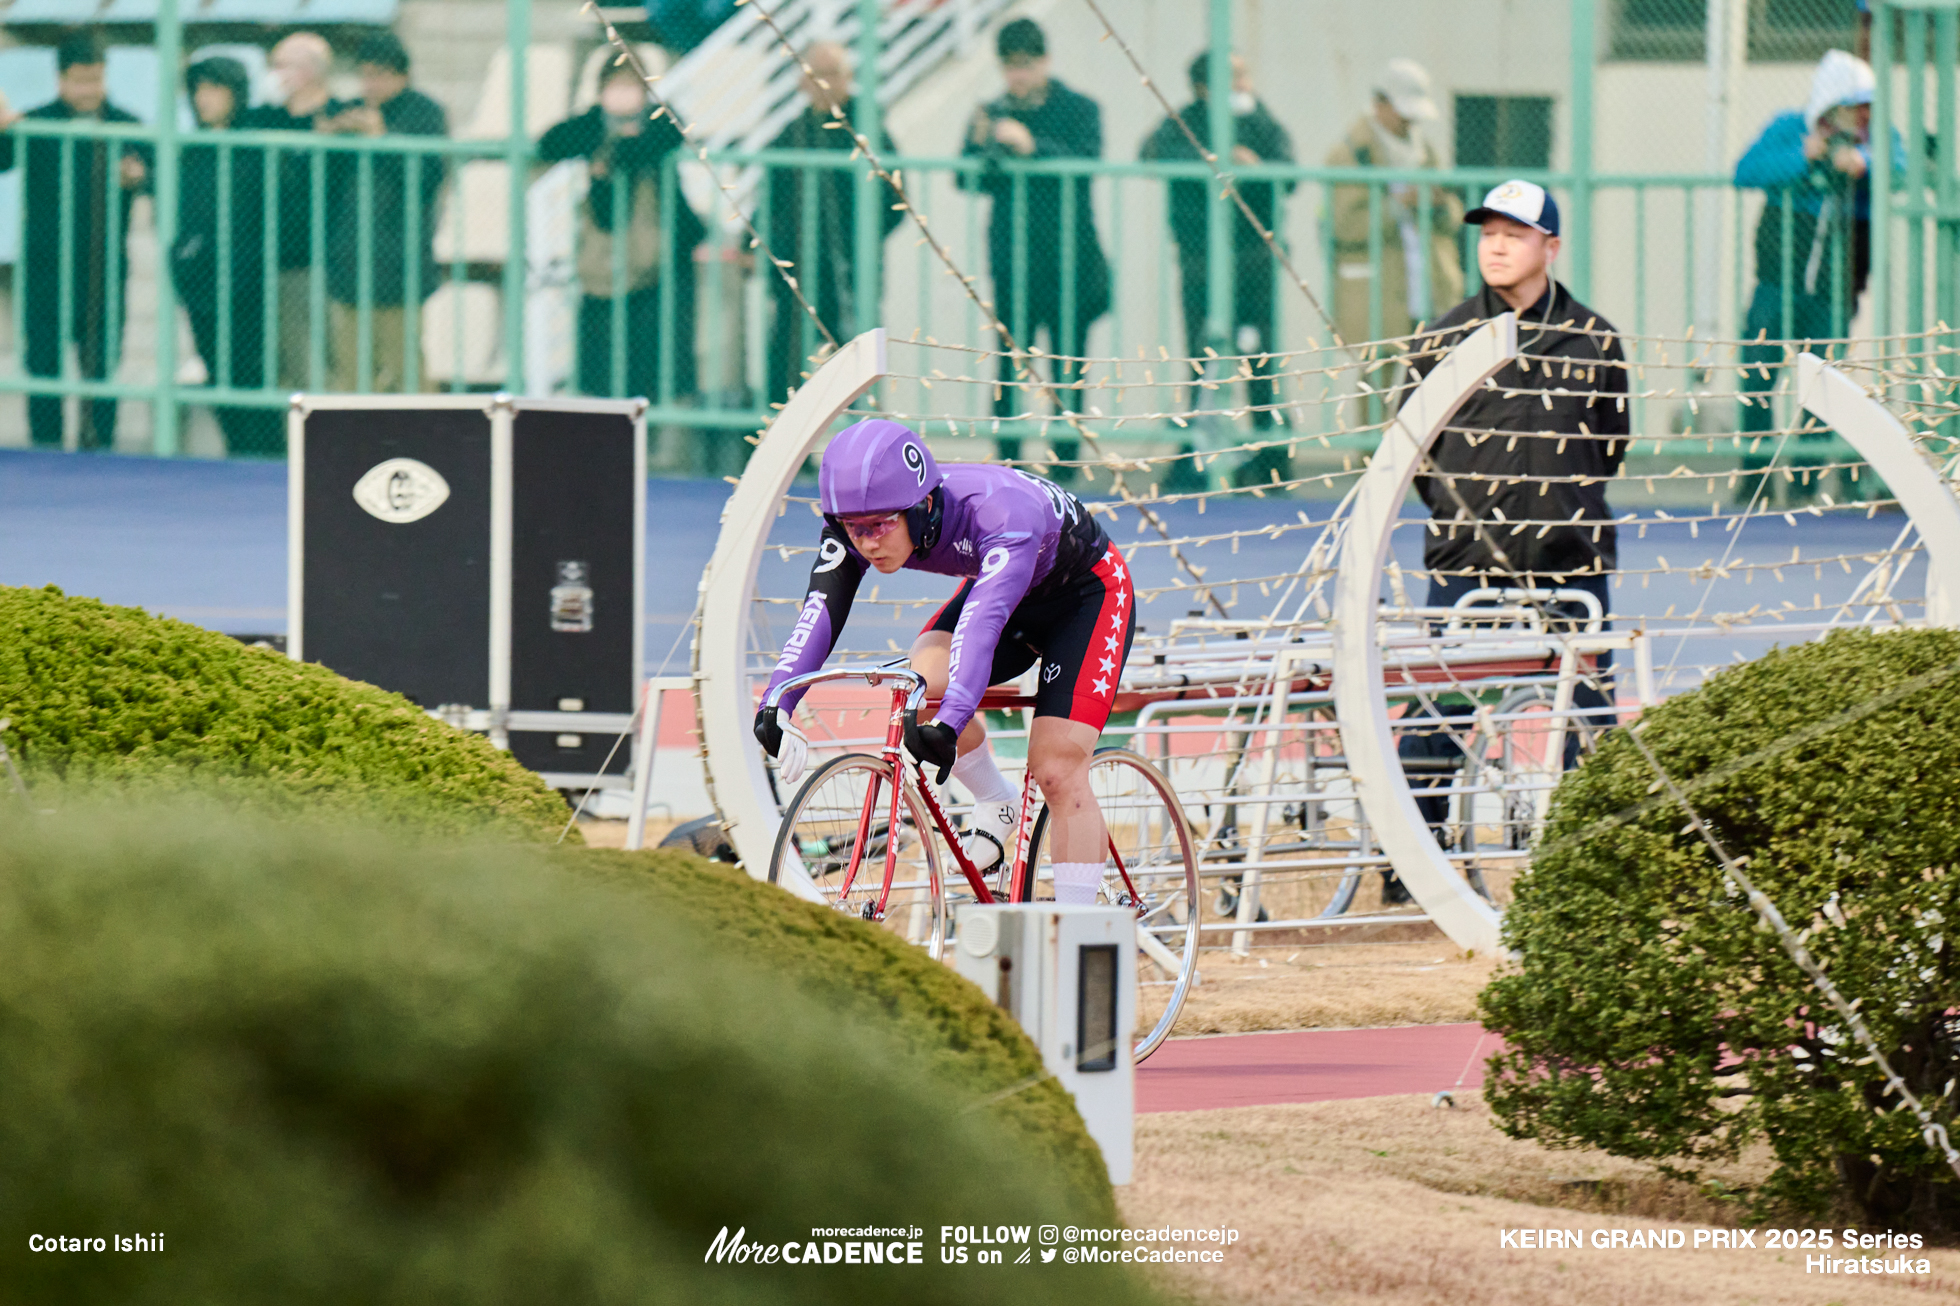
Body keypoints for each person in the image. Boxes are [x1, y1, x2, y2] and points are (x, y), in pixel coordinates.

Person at [755, 420, 1136, 904]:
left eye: (880, 526)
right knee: (922, 683)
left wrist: (952, 723)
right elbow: (819, 610)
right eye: (855, 528)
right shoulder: (858, 523)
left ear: (924, 507)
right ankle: (997, 801)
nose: (868, 543)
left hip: (1086, 597)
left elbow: (982, 625)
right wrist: (777, 702)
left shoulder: (999, 512)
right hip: (1005, 587)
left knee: (1056, 767)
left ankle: (1076, 939)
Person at [1390, 180, 1628, 904]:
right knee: (1440, 709)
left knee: (1586, 710)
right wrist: (1474, 523)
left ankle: (1588, 867)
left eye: (1515, 233)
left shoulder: (1595, 338)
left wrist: (1558, 510)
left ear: (1549, 247)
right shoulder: (1441, 336)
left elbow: (1610, 445)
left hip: (1570, 560)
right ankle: (1413, 863)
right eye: (1488, 231)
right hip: (1466, 560)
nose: (1496, 244)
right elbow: (1414, 452)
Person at [1733, 49, 1903, 503]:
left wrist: (1864, 163)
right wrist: (1801, 157)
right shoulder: (1790, 128)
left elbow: (1901, 169)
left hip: (1834, 287)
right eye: (1856, 106)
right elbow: (1745, 171)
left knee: (1822, 385)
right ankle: (1756, 480)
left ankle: (1807, 483)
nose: (1864, 115)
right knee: (1757, 376)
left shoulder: (1873, 138)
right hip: (1776, 280)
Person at [959, 17, 1111, 478]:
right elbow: (964, 177)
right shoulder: (992, 112)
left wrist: (1032, 148)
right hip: (1013, 256)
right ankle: (1008, 457)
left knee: (1069, 358)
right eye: (1009, 67)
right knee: (1010, 359)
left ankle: (1065, 459)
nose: (1017, 76)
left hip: (1070, 255)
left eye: (1025, 66)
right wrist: (985, 144)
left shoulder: (1079, 108)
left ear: (1044, 61)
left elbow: (1087, 161)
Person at [1140, 49, 1296, 487]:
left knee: (1259, 356)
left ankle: (1271, 456)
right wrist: (1213, 159)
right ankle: (1194, 456)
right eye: (1235, 77)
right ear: (1206, 88)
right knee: (1201, 356)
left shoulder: (1261, 121)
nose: (1245, 85)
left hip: (1253, 255)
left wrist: (1257, 169)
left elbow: (1290, 169)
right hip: (1200, 256)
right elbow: (1151, 155)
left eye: (1245, 74)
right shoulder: (1185, 121)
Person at [0, 30, 152, 450]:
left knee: (102, 364)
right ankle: (45, 447)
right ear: (60, 79)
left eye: (97, 79)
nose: (90, 90)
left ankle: (100, 444)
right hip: (46, 266)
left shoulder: (125, 123)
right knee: (43, 363)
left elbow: (154, 177)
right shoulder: (37, 122)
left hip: (102, 267)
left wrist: (140, 178)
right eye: (81, 80)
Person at [538, 58, 705, 402]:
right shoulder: (591, 126)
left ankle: (661, 430)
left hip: (662, 257)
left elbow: (659, 140)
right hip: (608, 253)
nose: (624, 96)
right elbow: (551, 142)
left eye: (632, 86)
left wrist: (613, 153)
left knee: (660, 351)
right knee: (605, 355)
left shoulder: (661, 122)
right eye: (615, 86)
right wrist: (608, 138)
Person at [762, 40, 903, 406]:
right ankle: (781, 453)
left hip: (856, 268)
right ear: (801, 82)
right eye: (816, 74)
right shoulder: (789, 136)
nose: (825, 83)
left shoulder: (868, 129)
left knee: (859, 365)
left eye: (833, 74)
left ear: (849, 78)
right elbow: (770, 207)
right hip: (800, 270)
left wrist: (864, 241)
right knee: (788, 360)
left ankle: (865, 452)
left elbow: (895, 200)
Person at [318, 31, 446, 394]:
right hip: (349, 266)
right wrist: (332, 134)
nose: (370, 84)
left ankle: (425, 440)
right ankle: (357, 447)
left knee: (406, 369)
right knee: (352, 372)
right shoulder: (352, 108)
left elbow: (426, 179)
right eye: (365, 74)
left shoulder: (424, 113)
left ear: (401, 75)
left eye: (379, 74)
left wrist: (381, 139)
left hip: (399, 270)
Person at [173, 57, 281, 456]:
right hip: (200, 284)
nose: (205, 99)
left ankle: (268, 458)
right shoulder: (190, 149)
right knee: (217, 376)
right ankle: (238, 454)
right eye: (199, 89)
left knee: (253, 374)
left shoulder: (256, 142)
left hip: (248, 284)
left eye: (215, 89)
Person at [1325, 59, 1463, 357]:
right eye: (1403, 113)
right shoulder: (1350, 153)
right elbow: (1345, 226)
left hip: (1430, 285)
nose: (1409, 123)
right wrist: (1400, 205)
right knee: (1377, 388)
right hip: (1378, 291)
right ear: (1379, 103)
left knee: (1433, 382)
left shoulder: (1423, 149)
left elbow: (1453, 217)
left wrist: (1438, 205)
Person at [241, 31, 347, 393]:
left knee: (313, 360)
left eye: (282, 66)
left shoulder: (338, 117)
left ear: (308, 71)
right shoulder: (264, 118)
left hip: (314, 259)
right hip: (262, 258)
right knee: (275, 362)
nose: (274, 73)